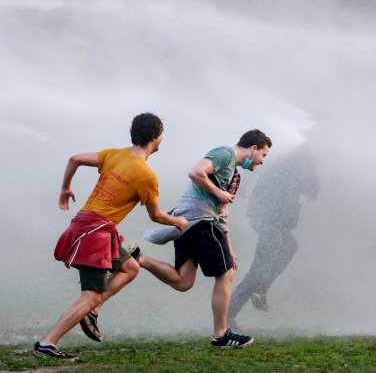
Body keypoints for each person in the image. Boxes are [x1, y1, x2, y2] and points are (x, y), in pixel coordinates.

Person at [33, 113, 188, 362]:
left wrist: (66, 187)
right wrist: (178, 221)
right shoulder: (147, 176)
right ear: (156, 137)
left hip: (91, 226)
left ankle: (92, 310)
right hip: (95, 232)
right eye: (162, 135)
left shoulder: (115, 153)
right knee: (90, 295)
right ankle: (47, 343)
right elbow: (156, 216)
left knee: (130, 267)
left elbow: (74, 159)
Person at [134, 129, 272, 349]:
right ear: (253, 149)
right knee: (226, 274)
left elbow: (223, 212)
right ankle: (221, 335)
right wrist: (218, 193)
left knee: (183, 281)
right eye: (263, 155)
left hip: (187, 223)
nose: (263, 161)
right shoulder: (225, 154)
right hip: (200, 221)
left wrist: (230, 248)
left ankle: (137, 258)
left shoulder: (234, 173)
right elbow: (195, 172)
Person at [228, 143, 319, 324]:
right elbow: (248, 167)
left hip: (281, 222)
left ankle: (261, 289)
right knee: (260, 266)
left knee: (290, 246)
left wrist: (311, 189)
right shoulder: (278, 154)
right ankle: (228, 314)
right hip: (264, 217)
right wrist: (241, 190)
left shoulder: (304, 161)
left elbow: (311, 187)